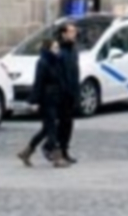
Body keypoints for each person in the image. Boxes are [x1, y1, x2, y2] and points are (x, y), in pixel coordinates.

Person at [17, 38, 70, 168]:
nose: (57, 50)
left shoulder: (57, 61)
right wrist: (34, 101)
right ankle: (57, 157)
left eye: (58, 47)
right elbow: (38, 83)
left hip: (56, 99)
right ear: (48, 49)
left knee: (46, 129)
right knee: (52, 129)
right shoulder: (43, 62)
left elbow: (62, 80)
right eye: (54, 48)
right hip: (47, 100)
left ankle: (26, 152)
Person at [54, 22, 80, 164]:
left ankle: (65, 150)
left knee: (68, 124)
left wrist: (76, 92)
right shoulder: (60, 51)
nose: (74, 34)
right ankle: (56, 150)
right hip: (62, 94)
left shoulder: (73, 50)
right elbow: (58, 74)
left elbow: (75, 72)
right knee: (60, 125)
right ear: (63, 34)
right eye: (71, 31)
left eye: (74, 31)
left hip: (71, 93)